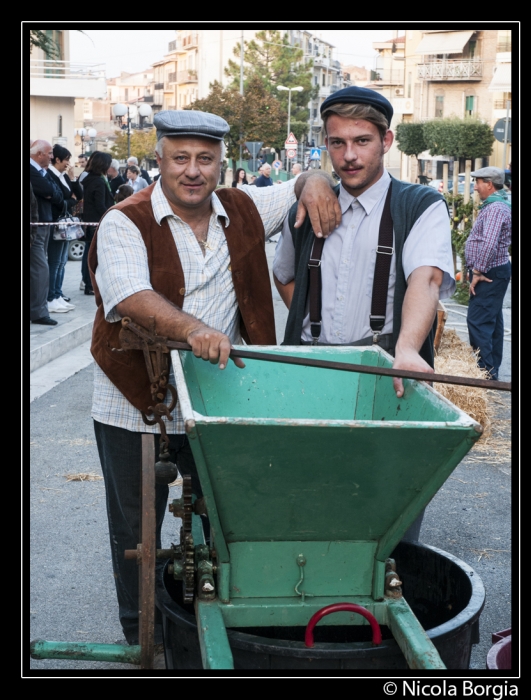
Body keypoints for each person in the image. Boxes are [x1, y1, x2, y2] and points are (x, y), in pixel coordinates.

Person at [87, 109, 340, 649]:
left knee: (223, 523)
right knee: (136, 534)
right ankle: (143, 642)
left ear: (222, 163)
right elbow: (130, 295)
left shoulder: (243, 207)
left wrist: (315, 178)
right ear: (159, 160)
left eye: (205, 159)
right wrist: (194, 328)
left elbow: (301, 181)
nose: (193, 171)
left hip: (215, 403)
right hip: (133, 404)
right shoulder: (123, 221)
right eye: (180, 158)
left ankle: (207, 625)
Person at [273, 87, 455, 542]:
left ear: (387, 141)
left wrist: (408, 349)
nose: (349, 155)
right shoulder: (311, 204)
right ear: (326, 145)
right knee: (308, 506)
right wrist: (310, 323)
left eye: (362, 141)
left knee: (388, 515)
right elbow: (283, 276)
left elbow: (426, 279)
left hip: (386, 377)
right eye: (338, 143)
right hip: (312, 374)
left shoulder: (419, 205)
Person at [465, 167, 511, 381]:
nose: (475, 187)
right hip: (495, 270)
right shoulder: (498, 205)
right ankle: (491, 372)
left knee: (478, 321)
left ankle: (486, 375)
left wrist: (477, 271)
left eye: (478, 182)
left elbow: (489, 244)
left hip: (488, 272)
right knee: (492, 322)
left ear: (490, 184)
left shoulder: (495, 209)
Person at [30, 139, 64, 326]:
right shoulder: (30, 170)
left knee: (41, 267)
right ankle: (39, 312)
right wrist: (52, 194)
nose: (53, 157)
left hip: (44, 224)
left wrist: (53, 195)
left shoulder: (44, 172)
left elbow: (57, 193)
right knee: (40, 269)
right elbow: (47, 190)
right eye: (50, 153)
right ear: (40, 154)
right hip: (34, 226)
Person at [47, 145, 83, 314]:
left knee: (61, 262)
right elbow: (61, 201)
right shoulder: (50, 175)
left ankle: (58, 293)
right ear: (57, 159)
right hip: (56, 222)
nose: (68, 163)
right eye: (66, 159)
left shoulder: (63, 176)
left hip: (65, 223)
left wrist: (73, 179)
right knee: (54, 262)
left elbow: (77, 195)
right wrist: (71, 201)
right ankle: (51, 296)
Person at [82, 151, 115, 295]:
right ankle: (90, 284)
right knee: (93, 255)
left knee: (88, 254)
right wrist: (112, 215)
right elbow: (100, 204)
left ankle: (87, 282)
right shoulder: (99, 181)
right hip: (96, 222)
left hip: (89, 221)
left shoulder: (89, 178)